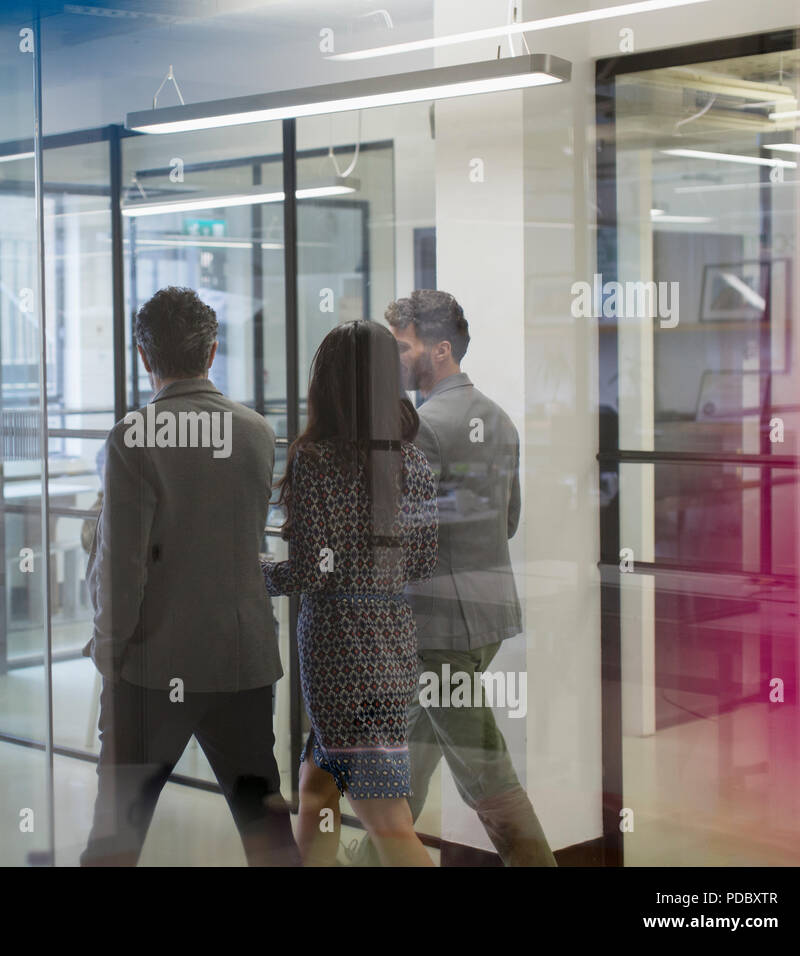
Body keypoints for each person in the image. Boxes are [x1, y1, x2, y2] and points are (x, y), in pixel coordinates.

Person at [80, 286, 299, 867]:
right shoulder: (255, 431)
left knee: (115, 838)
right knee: (267, 830)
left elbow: (121, 570)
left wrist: (107, 651)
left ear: (145, 358)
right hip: (242, 662)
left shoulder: (134, 438)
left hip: (153, 668)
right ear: (212, 352)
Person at [375, 289, 557, 866]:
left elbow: (403, 536)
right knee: (405, 768)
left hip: (437, 636)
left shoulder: (424, 427)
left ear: (440, 350)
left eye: (403, 347)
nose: (394, 359)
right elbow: (506, 519)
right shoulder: (499, 419)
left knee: (486, 776)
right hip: (485, 620)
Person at [261, 319, 438, 867]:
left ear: (329, 383)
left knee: (387, 821)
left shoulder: (318, 460)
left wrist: (260, 572)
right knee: (317, 791)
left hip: (340, 656)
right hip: (392, 649)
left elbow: (313, 571)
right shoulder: (411, 460)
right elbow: (424, 561)